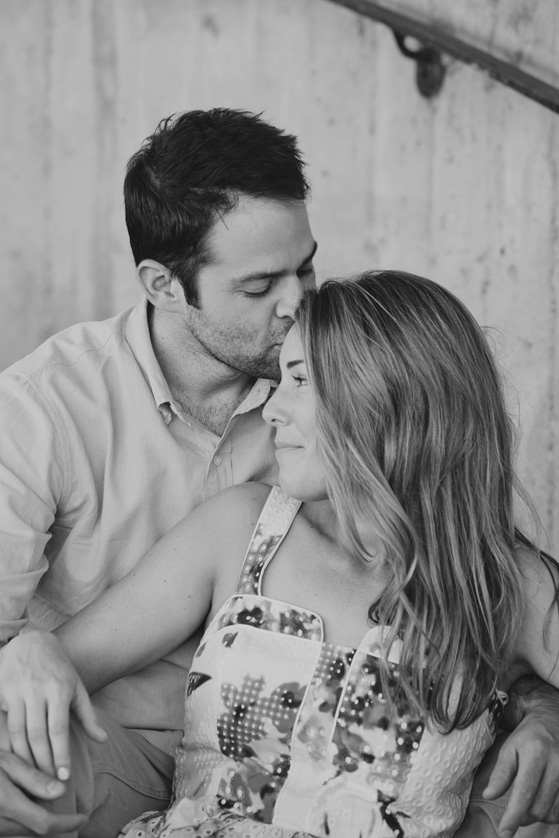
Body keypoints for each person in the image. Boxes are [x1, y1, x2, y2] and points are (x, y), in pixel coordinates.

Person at [2, 271, 559, 838]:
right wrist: (30, 650)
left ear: (383, 399)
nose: (270, 410)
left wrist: (550, 718)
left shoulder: (505, 583)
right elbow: (66, 664)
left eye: (298, 381)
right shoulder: (242, 527)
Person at [0, 107, 316, 836]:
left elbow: (467, 559)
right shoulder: (45, 404)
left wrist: (539, 705)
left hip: (289, 741)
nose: (296, 304)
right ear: (163, 284)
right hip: (104, 733)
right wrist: (15, 650)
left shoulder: (332, 383)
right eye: (260, 284)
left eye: (304, 267)